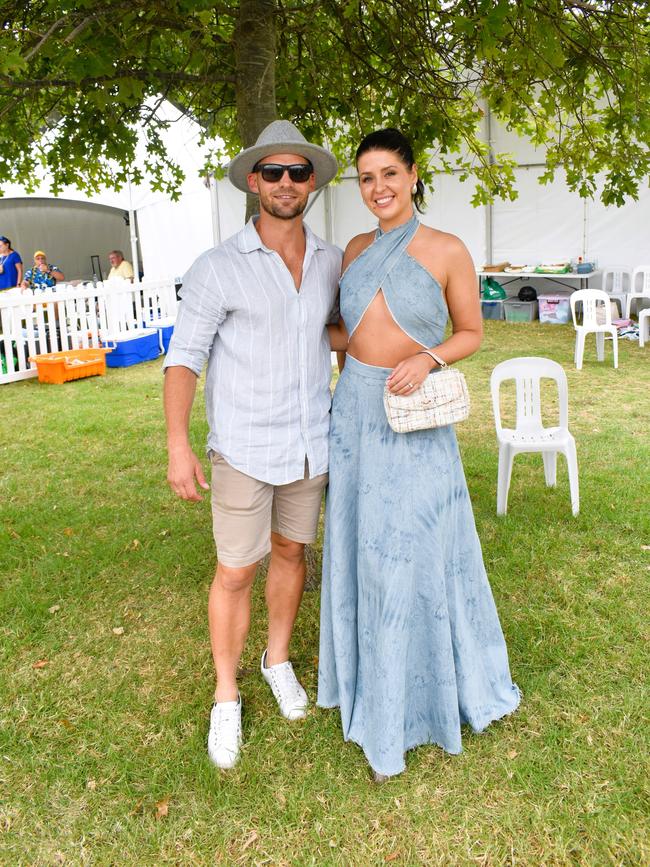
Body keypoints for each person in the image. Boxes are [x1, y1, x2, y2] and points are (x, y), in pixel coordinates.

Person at [318, 128, 520, 780]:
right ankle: (370, 695)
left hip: (414, 415)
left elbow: (472, 332)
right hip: (355, 412)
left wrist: (426, 357)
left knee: (413, 556)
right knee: (364, 554)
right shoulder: (352, 249)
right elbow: (347, 332)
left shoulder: (447, 249)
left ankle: (419, 703)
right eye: (365, 178)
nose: (377, 188)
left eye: (388, 174)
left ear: (412, 175)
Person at [163, 121, 341, 770]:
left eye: (298, 172)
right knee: (237, 569)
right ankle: (226, 693)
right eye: (274, 173)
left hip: (308, 446)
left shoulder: (331, 262)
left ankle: (277, 660)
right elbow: (183, 358)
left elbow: (342, 335)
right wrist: (178, 444)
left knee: (292, 552)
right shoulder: (216, 268)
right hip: (242, 446)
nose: (286, 183)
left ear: (312, 182)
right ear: (253, 183)